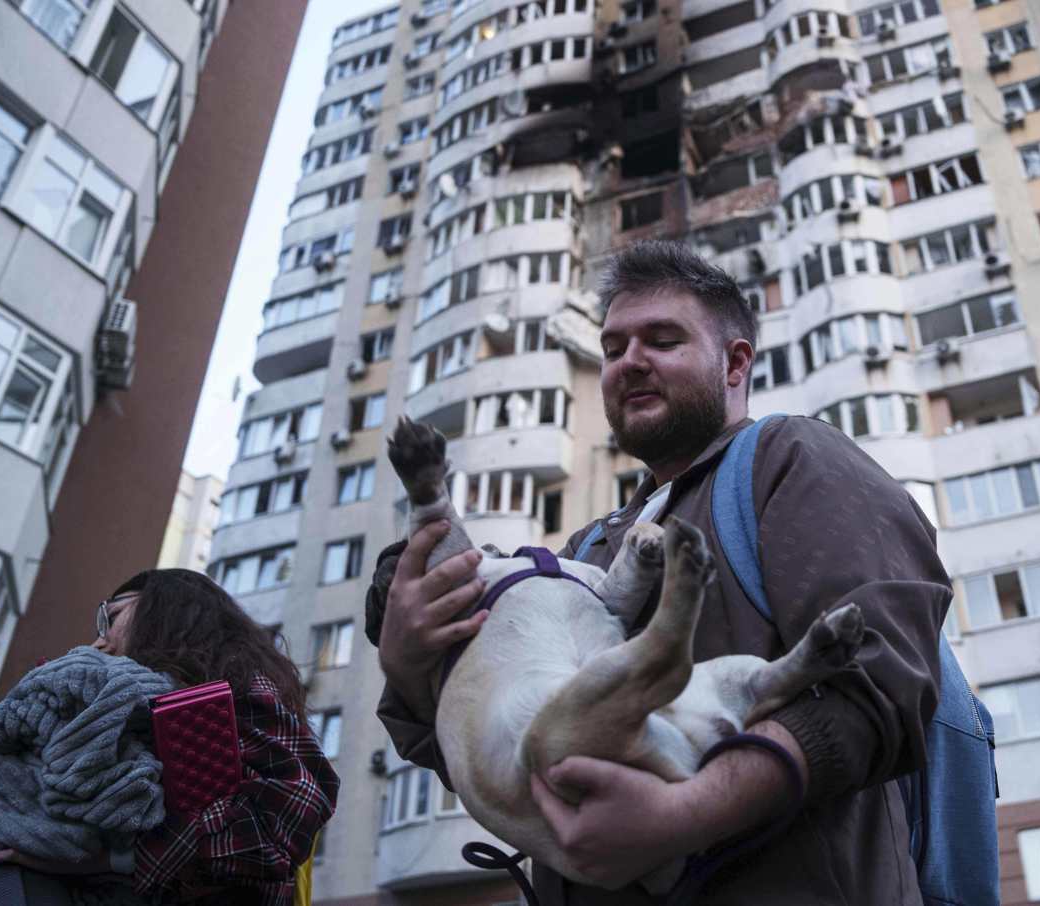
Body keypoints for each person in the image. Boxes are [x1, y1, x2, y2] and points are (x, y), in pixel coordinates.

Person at [372, 240, 951, 904]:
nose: (630, 363)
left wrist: (688, 812)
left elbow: (882, 683)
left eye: (662, 340)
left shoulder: (791, 459)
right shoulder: (586, 551)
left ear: (734, 364)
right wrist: (407, 663)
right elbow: (488, 749)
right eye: (614, 349)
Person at [0, 568, 340, 906]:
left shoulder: (235, 682)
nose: (98, 641)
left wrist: (117, 857)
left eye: (111, 617)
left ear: (167, 611)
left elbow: (293, 805)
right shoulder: (117, 699)